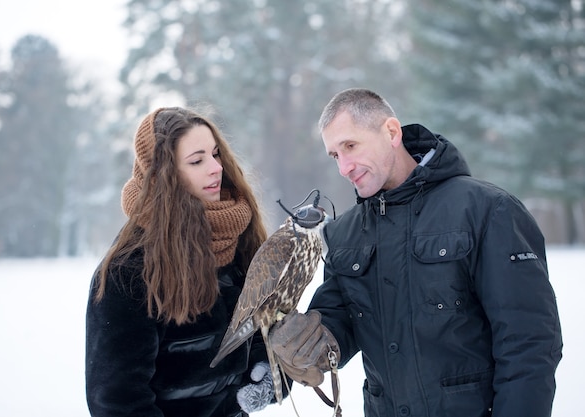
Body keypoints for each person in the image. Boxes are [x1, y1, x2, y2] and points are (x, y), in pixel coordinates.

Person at [269, 88, 563, 417]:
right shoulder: (344, 233)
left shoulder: (486, 210)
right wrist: (312, 345)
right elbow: (341, 321)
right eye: (335, 155)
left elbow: (529, 346)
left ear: (391, 132)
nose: (344, 167)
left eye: (350, 146)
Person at [86, 106, 279, 417]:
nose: (216, 168)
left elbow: (258, 334)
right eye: (197, 160)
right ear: (165, 177)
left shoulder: (240, 242)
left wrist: (265, 369)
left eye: (216, 155)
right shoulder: (131, 271)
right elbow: (118, 401)